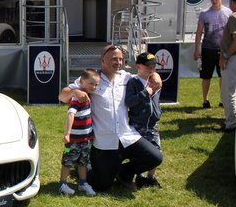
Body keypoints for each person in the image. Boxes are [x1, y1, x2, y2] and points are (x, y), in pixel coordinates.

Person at [59, 45, 163, 192]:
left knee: (155, 157)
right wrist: (75, 91)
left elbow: (145, 73)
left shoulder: (126, 77)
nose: (118, 62)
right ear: (102, 60)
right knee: (101, 186)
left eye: (121, 59)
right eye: (114, 59)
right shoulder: (92, 78)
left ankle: (124, 173)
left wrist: (155, 75)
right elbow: (63, 96)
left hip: (126, 136)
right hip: (104, 142)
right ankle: (83, 165)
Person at [125, 52, 162, 188]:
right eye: (147, 66)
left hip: (152, 123)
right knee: (141, 153)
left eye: (153, 66)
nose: (151, 69)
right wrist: (145, 92)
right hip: (138, 124)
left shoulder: (154, 80)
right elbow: (129, 101)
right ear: (138, 66)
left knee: (157, 151)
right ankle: (139, 176)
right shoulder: (133, 82)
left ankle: (151, 177)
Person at [58, 68, 98, 196]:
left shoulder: (89, 96)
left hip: (86, 139)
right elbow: (70, 115)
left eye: (96, 84)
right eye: (91, 83)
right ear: (82, 81)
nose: (94, 87)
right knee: (68, 161)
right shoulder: (77, 98)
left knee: (83, 162)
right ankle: (62, 184)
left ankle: (82, 183)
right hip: (74, 140)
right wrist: (67, 134)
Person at [194, 0, 232, 109]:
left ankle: (223, 99)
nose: (214, 1)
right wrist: (197, 49)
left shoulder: (228, 12)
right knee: (206, 76)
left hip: (223, 49)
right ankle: (205, 100)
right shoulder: (205, 13)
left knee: (223, 75)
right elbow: (199, 32)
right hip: (208, 48)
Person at [218, 0, 236, 133]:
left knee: (228, 91)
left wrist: (225, 55)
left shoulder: (234, 16)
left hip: (233, 58)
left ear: (232, 2)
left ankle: (231, 123)